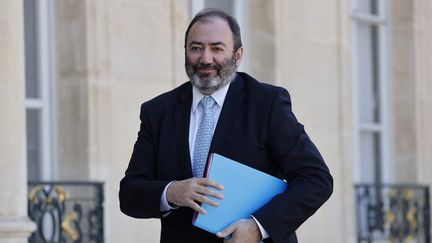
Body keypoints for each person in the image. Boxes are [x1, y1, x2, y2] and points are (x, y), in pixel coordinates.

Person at [119, 8, 333, 243]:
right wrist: (171, 192)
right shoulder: (158, 111)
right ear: (185, 52)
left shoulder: (266, 104)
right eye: (196, 47)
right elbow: (130, 194)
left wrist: (258, 227)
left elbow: (316, 179)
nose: (205, 58)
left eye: (217, 48)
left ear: (238, 55)